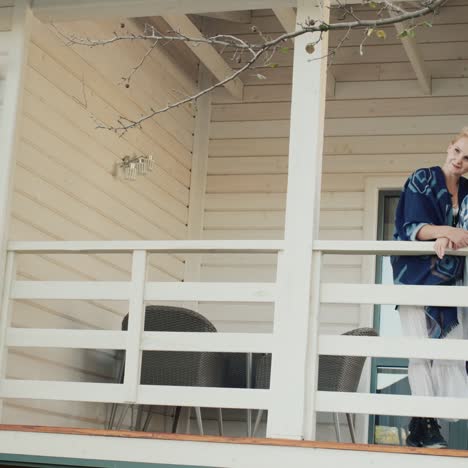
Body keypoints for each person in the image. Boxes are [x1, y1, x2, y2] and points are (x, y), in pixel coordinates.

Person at [391, 128, 468, 448]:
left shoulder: (467, 191)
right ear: (449, 147)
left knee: (449, 352)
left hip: (451, 279)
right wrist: (444, 231)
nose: (460, 160)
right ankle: (425, 423)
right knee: (421, 352)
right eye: (457, 151)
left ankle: (424, 424)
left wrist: (445, 236)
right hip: (416, 276)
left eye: (467, 158)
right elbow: (412, 226)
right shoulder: (422, 179)